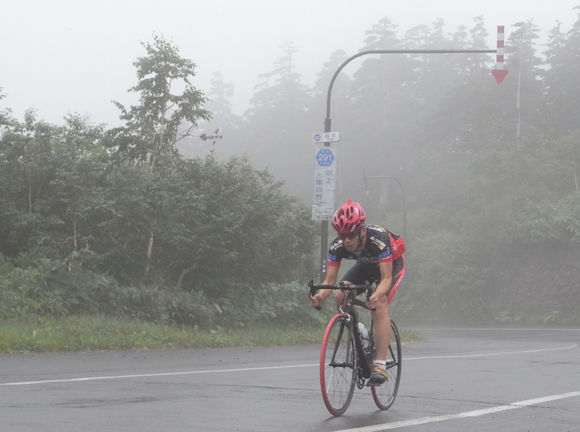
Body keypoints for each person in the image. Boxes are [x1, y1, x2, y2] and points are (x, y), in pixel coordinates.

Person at [309, 198, 405, 384]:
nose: (346, 240)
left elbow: (385, 279)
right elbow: (330, 280)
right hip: (367, 266)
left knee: (379, 305)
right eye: (341, 234)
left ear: (362, 231)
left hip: (391, 266)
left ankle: (380, 364)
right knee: (340, 293)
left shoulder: (379, 241)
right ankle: (359, 334)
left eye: (351, 235)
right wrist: (320, 296)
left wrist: (376, 295)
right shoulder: (338, 246)